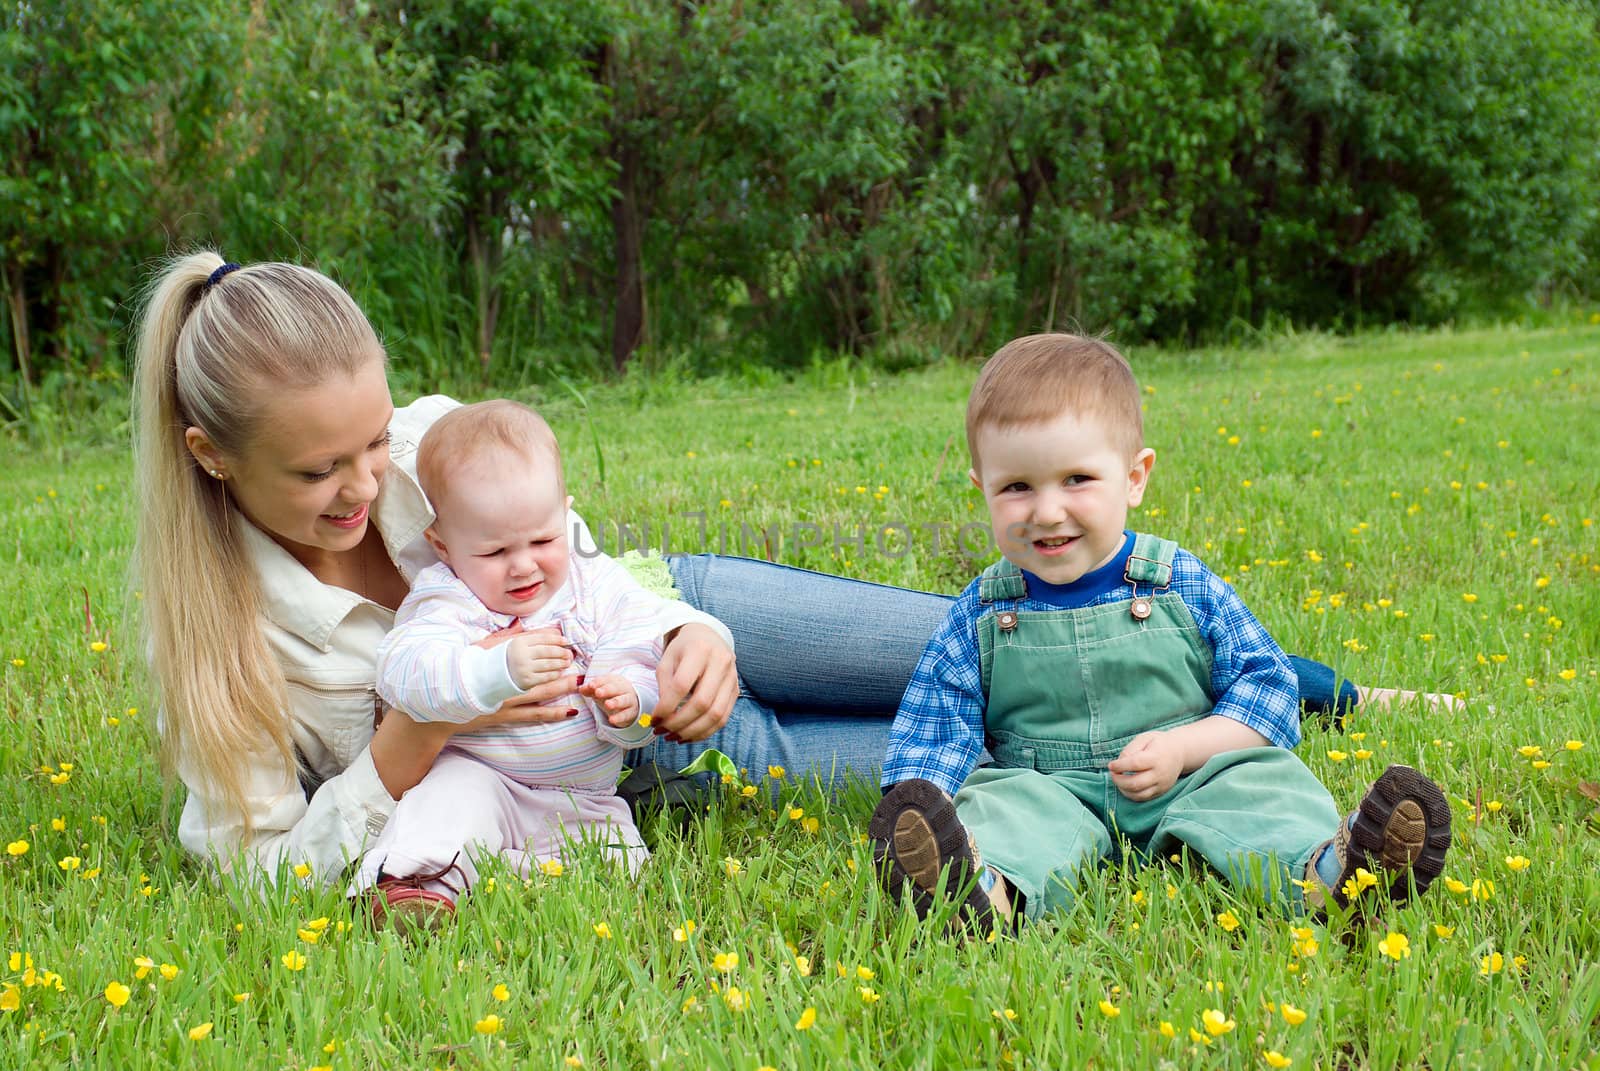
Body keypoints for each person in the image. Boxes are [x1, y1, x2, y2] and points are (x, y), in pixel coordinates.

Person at [130, 252, 1427, 907]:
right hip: (647, 759)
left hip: (690, 616)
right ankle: (1194, 763)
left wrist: (694, 631)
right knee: (977, 763)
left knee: (1003, 634)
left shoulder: (430, 442)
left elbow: (580, 566)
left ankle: (1304, 685)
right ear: (211, 456)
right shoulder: (221, 650)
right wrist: (415, 737)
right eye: (319, 473)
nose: (368, 480)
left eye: (372, 439)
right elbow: (259, 875)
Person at [870, 334, 1452, 930]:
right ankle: (974, 892)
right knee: (1000, 808)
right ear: (982, 490)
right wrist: (919, 807)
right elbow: (937, 724)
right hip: (1049, 791)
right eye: (1017, 487)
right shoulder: (981, 612)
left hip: (1194, 777)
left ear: (1134, 477)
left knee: (1263, 787)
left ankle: (1334, 875)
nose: (1046, 512)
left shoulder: (1178, 581)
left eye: (1077, 479)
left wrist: (1185, 748)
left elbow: (1269, 687)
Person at [359, 399, 677, 923]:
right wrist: (493, 670)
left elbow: (639, 640)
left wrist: (631, 699)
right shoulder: (449, 596)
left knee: (621, 870)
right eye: (494, 552)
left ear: (565, 516)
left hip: (584, 795)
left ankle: (506, 871)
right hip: (484, 775)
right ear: (443, 546)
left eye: (543, 539)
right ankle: (417, 882)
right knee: (445, 806)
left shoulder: (592, 581)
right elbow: (402, 672)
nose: (523, 565)